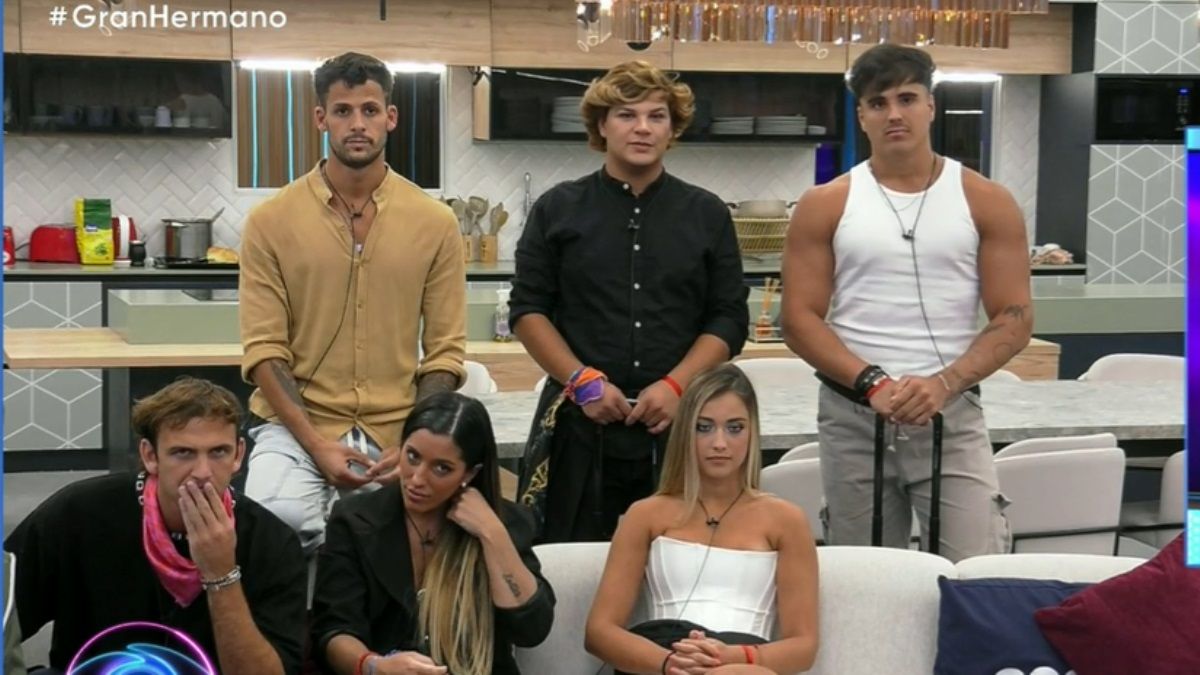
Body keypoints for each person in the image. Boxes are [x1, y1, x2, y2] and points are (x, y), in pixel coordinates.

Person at [780, 44, 1031, 562]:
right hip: (853, 414)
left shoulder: (986, 199)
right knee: (864, 578)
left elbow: (1014, 317)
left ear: (931, 106)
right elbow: (799, 319)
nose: (894, 114)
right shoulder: (826, 203)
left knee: (975, 571)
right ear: (861, 116)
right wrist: (872, 383)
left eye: (907, 98)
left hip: (951, 413)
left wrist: (944, 383)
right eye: (878, 103)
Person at [239, 51, 467, 556]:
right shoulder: (271, 221)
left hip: (399, 428)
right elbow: (265, 352)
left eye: (369, 110)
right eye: (343, 111)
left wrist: (415, 442)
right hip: (296, 427)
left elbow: (445, 352)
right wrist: (317, 445)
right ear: (321, 118)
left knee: (400, 541)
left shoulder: (434, 222)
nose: (357, 124)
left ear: (391, 117)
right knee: (274, 524)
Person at [510, 60, 749, 543]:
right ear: (602, 125)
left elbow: (728, 318)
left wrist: (677, 386)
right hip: (579, 423)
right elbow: (528, 310)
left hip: (680, 425)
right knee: (571, 561)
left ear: (672, 128)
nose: (642, 128)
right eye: (626, 115)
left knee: (680, 559)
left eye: (656, 116)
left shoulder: (706, 213)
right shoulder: (557, 209)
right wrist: (582, 382)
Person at [4, 378, 307, 675]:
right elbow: (7, 615)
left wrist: (221, 575)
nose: (203, 472)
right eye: (183, 453)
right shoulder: (79, 513)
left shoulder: (271, 541)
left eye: (218, 452)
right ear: (150, 456)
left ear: (239, 455)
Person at [585, 364, 819, 675]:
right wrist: (668, 663)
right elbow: (599, 632)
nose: (719, 443)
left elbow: (803, 647)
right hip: (663, 657)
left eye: (735, 428)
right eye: (704, 427)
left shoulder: (785, 520)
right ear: (684, 432)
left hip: (743, 663)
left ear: (752, 433)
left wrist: (732, 657)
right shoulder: (646, 515)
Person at [311, 392, 555, 675]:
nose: (417, 479)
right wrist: (373, 666)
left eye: (441, 468)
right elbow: (333, 630)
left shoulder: (506, 524)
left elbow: (531, 629)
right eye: (412, 456)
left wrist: (491, 534)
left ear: (469, 473)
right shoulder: (355, 520)